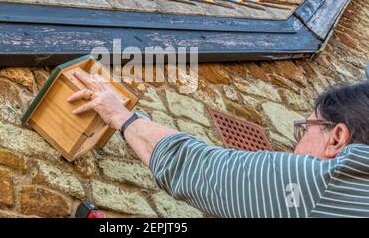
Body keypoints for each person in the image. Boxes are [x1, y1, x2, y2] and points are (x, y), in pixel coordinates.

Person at [67, 68, 369, 218]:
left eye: (304, 130)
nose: (295, 147)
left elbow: (193, 167)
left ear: (337, 138)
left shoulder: (327, 183)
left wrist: (120, 115)